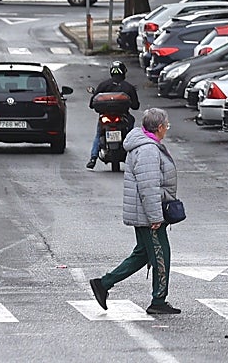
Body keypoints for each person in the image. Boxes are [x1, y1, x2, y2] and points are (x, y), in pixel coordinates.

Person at [90, 108, 181, 316]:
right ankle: (158, 300)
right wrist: (155, 217)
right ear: (159, 127)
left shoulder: (145, 145)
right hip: (148, 215)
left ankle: (103, 284)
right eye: (166, 126)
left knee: (142, 253)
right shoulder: (148, 149)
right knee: (161, 255)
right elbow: (148, 187)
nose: (167, 129)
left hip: (144, 213)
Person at [87, 61, 140, 169]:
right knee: (130, 132)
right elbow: (135, 106)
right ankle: (131, 152)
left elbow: (91, 104)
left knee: (99, 134)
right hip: (123, 117)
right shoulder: (128, 87)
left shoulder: (103, 85)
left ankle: (93, 158)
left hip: (105, 117)